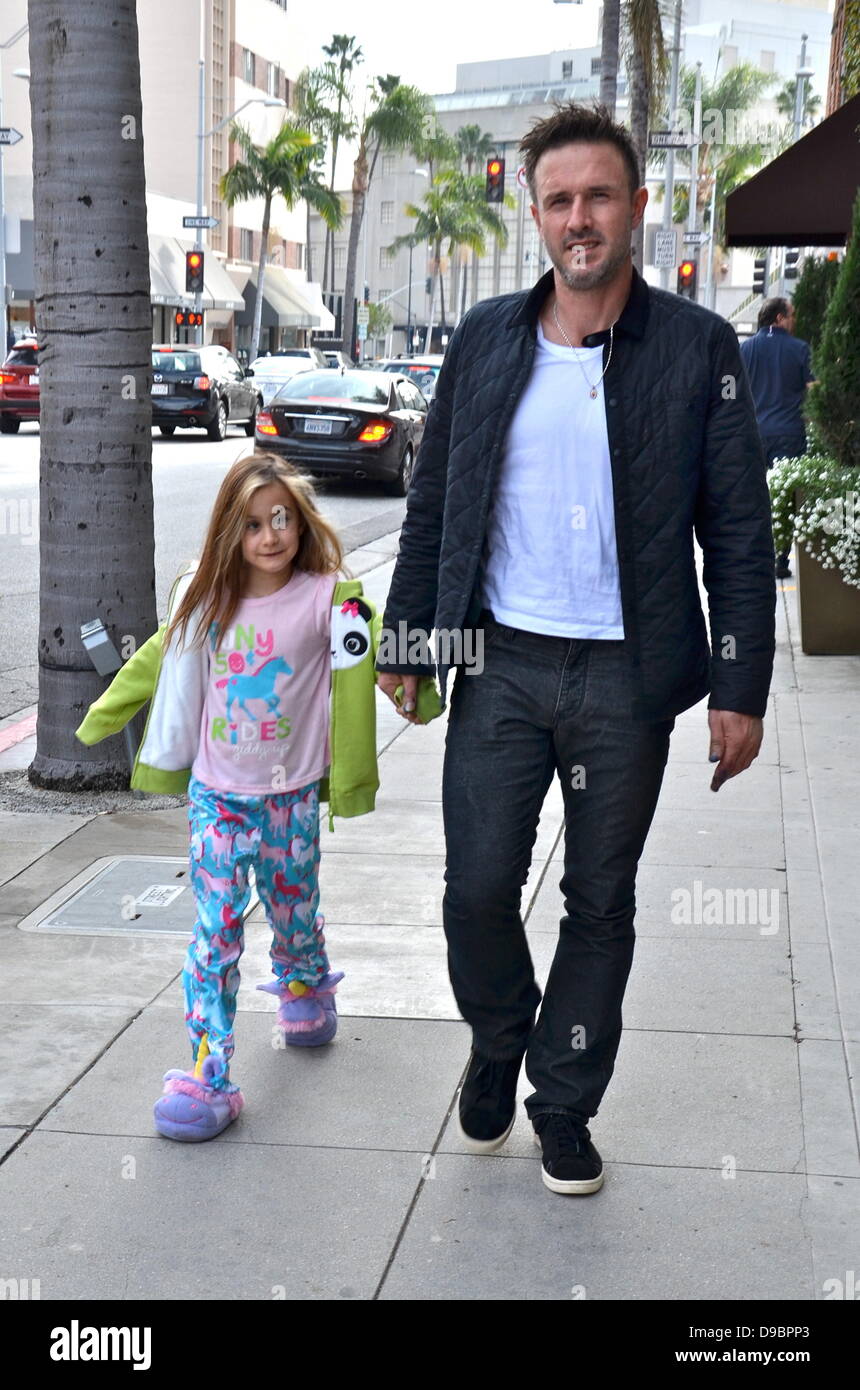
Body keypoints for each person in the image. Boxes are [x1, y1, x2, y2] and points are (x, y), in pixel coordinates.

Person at [375, 103, 776, 1197]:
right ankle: (501, 1034)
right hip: (500, 665)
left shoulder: (697, 348)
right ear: (535, 214)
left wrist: (738, 683)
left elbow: (739, 530)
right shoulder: (486, 338)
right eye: (558, 199)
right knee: (474, 889)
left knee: (600, 903)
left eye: (598, 195)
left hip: (622, 678)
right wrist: (414, 644)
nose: (578, 217)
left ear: (635, 208)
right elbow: (436, 507)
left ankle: (562, 1101)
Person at [76, 454, 431, 1141]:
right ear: (227, 533)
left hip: (290, 800)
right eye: (251, 525)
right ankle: (209, 1075)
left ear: (300, 523)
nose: (270, 536)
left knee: (293, 908)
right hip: (218, 799)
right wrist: (107, 712)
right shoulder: (206, 602)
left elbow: (376, 654)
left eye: (282, 520)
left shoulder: (330, 595)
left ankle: (304, 984)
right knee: (215, 933)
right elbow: (156, 657)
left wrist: (414, 690)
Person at [740, 297, 815, 578]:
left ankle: (752, 556)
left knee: (753, 496)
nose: (794, 320)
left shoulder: (744, 349)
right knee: (784, 497)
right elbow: (813, 388)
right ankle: (780, 561)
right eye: (791, 315)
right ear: (779, 319)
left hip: (753, 434)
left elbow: (725, 386)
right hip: (788, 433)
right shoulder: (800, 349)